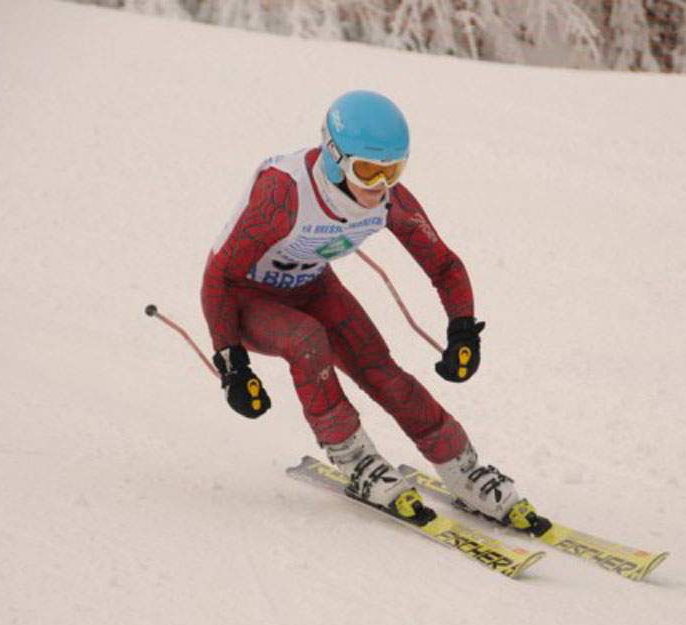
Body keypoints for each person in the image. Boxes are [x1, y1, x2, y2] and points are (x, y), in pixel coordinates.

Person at [201, 90, 540, 530]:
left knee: (384, 373)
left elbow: (444, 265)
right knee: (308, 341)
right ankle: (355, 458)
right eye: (367, 170)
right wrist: (232, 364)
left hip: (311, 286)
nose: (379, 185)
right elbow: (220, 277)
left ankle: (463, 467)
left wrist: (463, 330)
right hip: (247, 298)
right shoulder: (284, 191)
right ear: (334, 157)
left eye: (392, 170)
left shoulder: (389, 200)